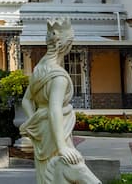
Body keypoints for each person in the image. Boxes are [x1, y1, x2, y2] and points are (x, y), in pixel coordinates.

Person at [19, 17, 99, 184]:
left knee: (46, 174)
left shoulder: (39, 69)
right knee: (69, 166)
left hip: (43, 129)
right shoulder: (58, 77)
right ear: (67, 45)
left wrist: (36, 120)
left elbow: (26, 100)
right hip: (56, 131)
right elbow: (55, 110)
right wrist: (62, 146)